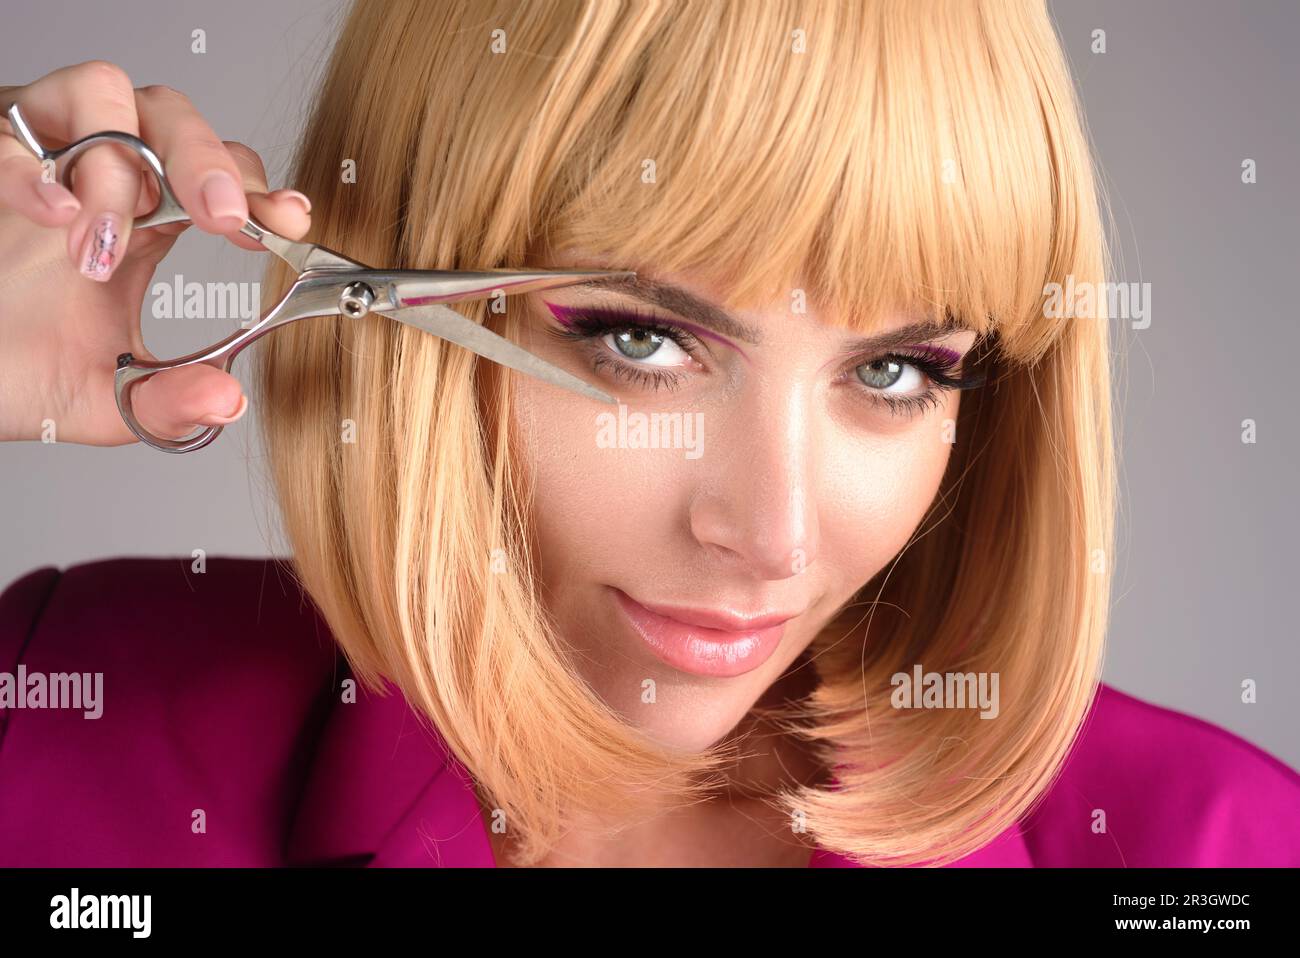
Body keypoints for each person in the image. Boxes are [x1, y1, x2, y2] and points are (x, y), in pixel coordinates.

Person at [1, 0, 1297, 868]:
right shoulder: (55, 711)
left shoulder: (1216, 851)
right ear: (394, 306)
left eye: (898, 367)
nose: (772, 534)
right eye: (642, 338)